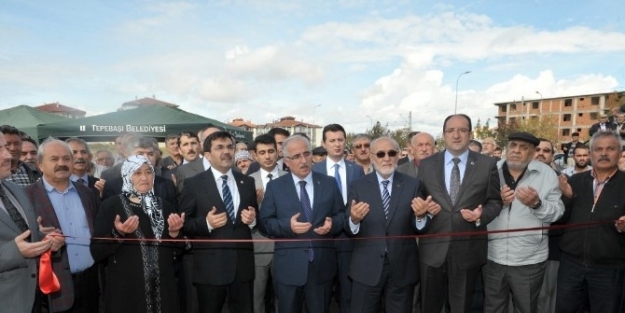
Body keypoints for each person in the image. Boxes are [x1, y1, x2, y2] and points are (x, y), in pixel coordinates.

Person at [416, 114, 502, 313]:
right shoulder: (427, 164)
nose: (456, 135)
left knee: (461, 306)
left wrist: (481, 215)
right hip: (432, 250)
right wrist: (424, 210)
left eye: (462, 130)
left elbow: (495, 201)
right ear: (444, 134)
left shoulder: (486, 164)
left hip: (468, 249)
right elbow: (419, 198)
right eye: (451, 130)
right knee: (429, 306)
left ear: (470, 134)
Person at [346, 136, 434, 313]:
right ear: (372, 157)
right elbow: (349, 228)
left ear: (398, 155)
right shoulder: (358, 185)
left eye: (391, 153)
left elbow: (420, 228)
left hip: (402, 268)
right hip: (366, 269)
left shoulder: (413, 184)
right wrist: (354, 219)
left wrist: (421, 216)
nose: (386, 158)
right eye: (380, 154)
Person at [259, 135, 345, 313]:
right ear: (286, 161)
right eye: (297, 156)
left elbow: (341, 215)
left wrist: (333, 224)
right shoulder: (275, 187)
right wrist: (287, 227)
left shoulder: (328, 183)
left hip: (322, 268)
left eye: (307, 154)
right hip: (289, 268)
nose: (304, 160)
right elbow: (265, 223)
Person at [91, 155, 184, 313]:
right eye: (137, 173)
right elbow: (96, 252)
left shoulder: (164, 206)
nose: (144, 177)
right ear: (126, 176)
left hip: (163, 289)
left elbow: (178, 252)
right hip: (127, 290)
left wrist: (175, 234)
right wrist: (118, 233)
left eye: (149, 172)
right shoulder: (111, 206)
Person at [484, 132, 564, 313]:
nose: (516, 151)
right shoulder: (491, 170)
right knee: (493, 307)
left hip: (529, 259)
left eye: (523, 147)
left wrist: (537, 204)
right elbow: (478, 208)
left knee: (526, 307)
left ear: (532, 152)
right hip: (493, 256)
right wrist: (499, 203)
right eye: (513, 146)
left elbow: (557, 212)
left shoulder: (547, 174)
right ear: (506, 148)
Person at [180, 131, 258, 313]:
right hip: (210, 270)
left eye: (230, 147)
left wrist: (252, 220)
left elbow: (255, 216)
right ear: (207, 155)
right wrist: (206, 223)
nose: (227, 152)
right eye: (220, 147)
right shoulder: (193, 184)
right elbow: (183, 223)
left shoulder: (246, 182)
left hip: (242, 268)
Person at [25, 138, 100, 313]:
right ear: (40, 164)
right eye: (54, 159)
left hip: (90, 284)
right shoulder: (26, 197)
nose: (62, 163)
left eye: (67, 158)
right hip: (52, 289)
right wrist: (36, 236)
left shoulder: (88, 193)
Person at [556, 131, 625, 312]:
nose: (603, 153)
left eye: (610, 149)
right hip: (571, 266)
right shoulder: (576, 180)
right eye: (598, 149)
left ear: (620, 153)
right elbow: (559, 221)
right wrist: (568, 198)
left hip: (609, 270)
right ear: (591, 154)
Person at [0, 133, 64, 313]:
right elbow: (15, 247)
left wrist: (45, 239)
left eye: (6, 147)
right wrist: (14, 252)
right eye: (0, 149)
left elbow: (24, 234)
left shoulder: (14, 189)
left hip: (36, 297)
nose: (8, 155)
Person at [313, 123, 363, 313]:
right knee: (322, 291)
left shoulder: (356, 170)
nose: (337, 144)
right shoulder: (314, 170)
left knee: (347, 290)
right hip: (322, 237)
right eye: (332, 140)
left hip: (349, 238)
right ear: (324, 143)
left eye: (340, 140)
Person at [248, 134, 286, 313]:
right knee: (256, 298)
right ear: (255, 155)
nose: (267, 156)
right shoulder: (246, 181)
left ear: (278, 152)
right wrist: (255, 204)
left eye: (271, 151)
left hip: (285, 248)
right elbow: (245, 220)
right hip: (258, 248)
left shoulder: (291, 177)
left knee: (285, 297)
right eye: (262, 152)